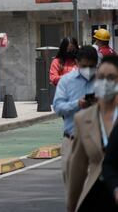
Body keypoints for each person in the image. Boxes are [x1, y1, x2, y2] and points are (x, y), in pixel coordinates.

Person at [67, 56, 118, 212]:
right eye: (101, 77)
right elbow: (78, 168)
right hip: (95, 196)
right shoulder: (83, 119)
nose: (105, 82)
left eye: (111, 77)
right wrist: (71, 206)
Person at [53, 45, 98, 187]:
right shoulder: (66, 81)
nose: (88, 70)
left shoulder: (104, 81)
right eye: (84, 66)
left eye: (92, 66)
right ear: (77, 63)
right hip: (72, 140)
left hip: (98, 142)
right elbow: (58, 108)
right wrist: (77, 104)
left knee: (96, 190)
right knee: (72, 188)